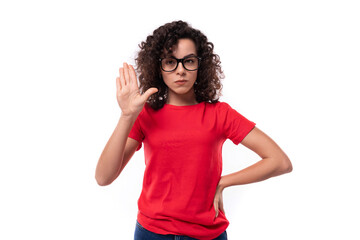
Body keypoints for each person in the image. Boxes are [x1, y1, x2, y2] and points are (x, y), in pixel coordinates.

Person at [95, 20, 292, 240]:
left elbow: (279, 161)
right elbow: (103, 177)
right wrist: (127, 116)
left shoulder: (220, 114)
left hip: (207, 234)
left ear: (200, 65)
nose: (180, 70)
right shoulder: (145, 115)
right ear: (158, 67)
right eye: (170, 62)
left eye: (188, 61)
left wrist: (223, 182)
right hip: (151, 232)